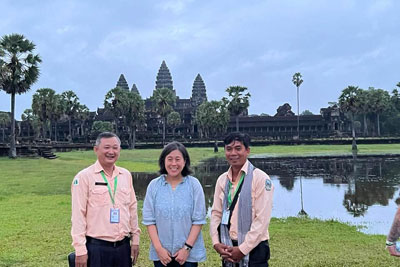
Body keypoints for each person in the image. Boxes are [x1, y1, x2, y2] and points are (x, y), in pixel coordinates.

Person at [71, 132, 141, 267]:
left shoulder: (125, 175)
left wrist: (135, 239)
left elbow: (132, 208)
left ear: (120, 150)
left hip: (123, 246)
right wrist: (80, 250)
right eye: (107, 147)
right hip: (97, 248)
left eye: (115, 148)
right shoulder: (84, 177)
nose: (111, 152)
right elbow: (78, 215)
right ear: (96, 150)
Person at [210, 132, 274, 267]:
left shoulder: (261, 179)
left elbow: (261, 220)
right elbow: (216, 214)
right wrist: (216, 242)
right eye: (229, 149)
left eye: (238, 148)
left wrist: (242, 249)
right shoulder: (222, 180)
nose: (233, 153)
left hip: (255, 249)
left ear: (247, 151)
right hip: (228, 246)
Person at [142, 141, 206, 266]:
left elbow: (198, 220)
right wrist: (159, 249)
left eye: (178, 159)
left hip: (188, 255)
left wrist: (186, 248)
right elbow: (149, 221)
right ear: (163, 161)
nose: (174, 164)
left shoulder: (194, 185)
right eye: (169, 159)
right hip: (161, 255)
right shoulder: (154, 186)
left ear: (185, 161)